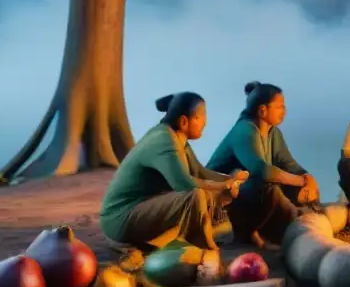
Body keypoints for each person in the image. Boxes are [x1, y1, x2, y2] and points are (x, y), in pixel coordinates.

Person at [100, 93, 247, 252]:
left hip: (143, 206)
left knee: (206, 193)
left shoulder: (177, 138)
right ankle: (201, 243)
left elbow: (200, 172)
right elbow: (183, 184)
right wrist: (223, 186)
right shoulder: (164, 141)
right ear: (184, 121)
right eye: (200, 116)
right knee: (196, 196)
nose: (205, 122)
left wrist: (231, 180)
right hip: (120, 219)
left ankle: (196, 235)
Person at [208, 82, 320, 246]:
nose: (284, 111)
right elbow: (262, 171)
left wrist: (307, 178)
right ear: (262, 110)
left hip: (246, 191)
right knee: (268, 187)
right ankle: (285, 231)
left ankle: (265, 232)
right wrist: (300, 181)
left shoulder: (273, 132)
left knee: (299, 187)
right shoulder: (244, 131)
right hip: (221, 200)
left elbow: (286, 162)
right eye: (279, 107)